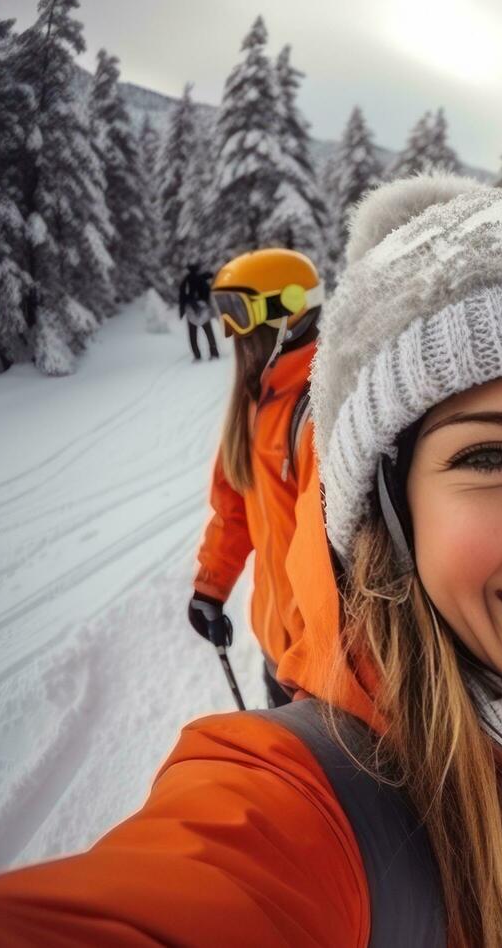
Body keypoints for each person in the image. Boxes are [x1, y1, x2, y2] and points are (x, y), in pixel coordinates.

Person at [0, 179, 502, 947]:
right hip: (316, 653)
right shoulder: (313, 806)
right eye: (493, 457)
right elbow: (233, 511)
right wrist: (215, 585)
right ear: (391, 515)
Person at [188, 248, 323, 708]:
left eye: (241, 316)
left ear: (289, 310)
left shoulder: (318, 416)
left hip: (322, 668)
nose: (232, 334)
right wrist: (211, 585)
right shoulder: (253, 402)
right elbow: (234, 509)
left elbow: (341, 561)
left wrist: (323, 662)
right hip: (276, 647)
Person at [177, 261, 220, 361]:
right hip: (203, 309)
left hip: (191, 311)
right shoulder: (201, 279)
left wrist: (182, 311)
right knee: (209, 332)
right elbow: (207, 293)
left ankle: (197, 355)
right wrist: (208, 305)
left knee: (193, 335)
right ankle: (214, 353)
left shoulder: (186, 281)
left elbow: (182, 297)